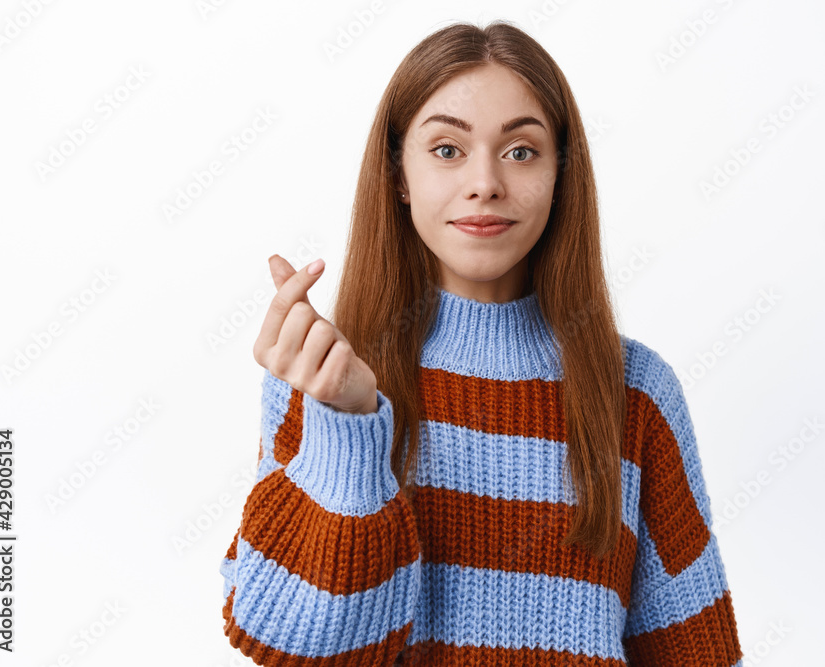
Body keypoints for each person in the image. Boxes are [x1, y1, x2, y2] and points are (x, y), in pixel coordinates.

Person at [219, 19, 743, 666]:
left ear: (560, 176)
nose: (485, 182)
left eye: (521, 151)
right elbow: (297, 644)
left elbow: (699, 654)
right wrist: (347, 426)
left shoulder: (636, 391)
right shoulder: (323, 373)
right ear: (400, 175)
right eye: (447, 149)